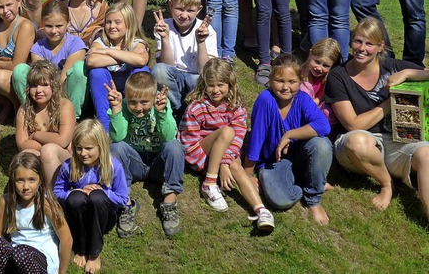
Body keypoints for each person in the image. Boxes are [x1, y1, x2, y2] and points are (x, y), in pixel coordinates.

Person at [326, 17, 429, 218]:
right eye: (357, 41)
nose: (361, 48)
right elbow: (353, 124)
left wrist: (407, 73)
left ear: (381, 47)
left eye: (369, 44)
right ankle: (386, 184)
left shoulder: (392, 66)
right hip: (355, 147)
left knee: (426, 155)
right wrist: (390, 104)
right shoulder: (339, 76)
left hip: (395, 142)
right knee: (358, 141)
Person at [179, 58, 275, 232]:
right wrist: (211, 163)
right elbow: (189, 142)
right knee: (227, 131)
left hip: (227, 152)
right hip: (202, 151)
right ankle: (208, 183)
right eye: (211, 85)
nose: (216, 90)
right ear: (204, 85)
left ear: (230, 84)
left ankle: (261, 210)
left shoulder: (235, 107)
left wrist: (225, 161)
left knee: (235, 165)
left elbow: (238, 138)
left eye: (220, 85)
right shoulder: (196, 107)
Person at [245, 54, 332, 225]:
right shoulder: (266, 100)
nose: (286, 87)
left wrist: (289, 134)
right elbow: (256, 138)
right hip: (272, 162)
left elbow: (324, 126)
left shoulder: (302, 99)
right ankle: (310, 181)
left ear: (300, 81)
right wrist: (248, 175)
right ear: (270, 79)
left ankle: (314, 198)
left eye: (292, 82)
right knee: (280, 200)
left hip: (297, 156)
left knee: (322, 144)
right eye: (280, 81)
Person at [107, 72, 184, 237]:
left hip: (158, 163)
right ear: (126, 97)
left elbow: (168, 136)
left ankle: (169, 201)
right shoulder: (123, 106)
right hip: (134, 161)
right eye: (133, 102)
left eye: (144, 102)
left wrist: (161, 113)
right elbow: (117, 136)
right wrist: (116, 110)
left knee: (174, 146)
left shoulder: (161, 104)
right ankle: (125, 202)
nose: (138, 108)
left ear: (154, 96)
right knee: (116, 147)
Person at [54, 119, 129, 274]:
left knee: (97, 197)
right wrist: (73, 192)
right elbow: (57, 191)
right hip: (78, 215)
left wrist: (104, 192)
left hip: (103, 216)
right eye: (79, 148)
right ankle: (80, 249)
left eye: (88, 148)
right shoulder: (69, 165)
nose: (83, 153)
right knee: (75, 198)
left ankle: (94, 253)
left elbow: (122, 198)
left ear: (100, 147)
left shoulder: (113, 166)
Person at [0, 152, 72, 274]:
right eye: (20, 180)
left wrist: (62, 272)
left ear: (40, 180)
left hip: (40, 261)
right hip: (16, 258)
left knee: (22, 254)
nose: (26, 186)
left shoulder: (46, 204)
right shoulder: (6, 202)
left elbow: (66, 239)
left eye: (31, 180)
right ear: (13, 180)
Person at [151, 0, 218, 117]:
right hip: (174, 77)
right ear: (171, 5)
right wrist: (164, 38)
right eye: (180, 9)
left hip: (195, 78)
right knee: (158, 70)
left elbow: (204, 71)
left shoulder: (207, 31)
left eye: (190, 11)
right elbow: (166, 65)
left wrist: (200, 42)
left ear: (199, 10)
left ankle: (192, 112)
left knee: (197, 80)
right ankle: (178, 110)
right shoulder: (164, 26)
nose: (184, 15)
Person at [12, 0, 87, 118]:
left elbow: (63, 79)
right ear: (42, 24)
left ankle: (72, 117)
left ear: (68, 23)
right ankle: (32, 113)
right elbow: (40, 79)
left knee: (79, 69)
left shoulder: (76, 45)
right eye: (48, 26)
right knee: (20, 70)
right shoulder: (38, 48)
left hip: (69, 93)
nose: (53, 31)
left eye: (59, 26)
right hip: (45, 93)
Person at [86, 2, 149, 132]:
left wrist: (108, 52)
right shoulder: (100, 42)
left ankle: (137, 121)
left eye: (117, 22)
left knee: (141, 71)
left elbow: (142, 59)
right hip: (106, 86)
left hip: (129, 85)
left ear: (129, 24)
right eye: (108, 22)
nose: (112, 26)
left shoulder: (136, 42)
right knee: (97, 72)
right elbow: (91, 61)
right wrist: (126, 57)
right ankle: (106, 128)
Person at [15, 60, 76, 184]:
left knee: (49, 151)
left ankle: (55, 195)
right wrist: (44, 147)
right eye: (33, 85)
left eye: (44, 85)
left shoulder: (64, 105)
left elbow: (63, 141)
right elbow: (22, 144)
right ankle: (37, 193)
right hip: (39, 154)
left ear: (54, 85)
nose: (38, 90)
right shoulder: (24, 110)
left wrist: (35, 136)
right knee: (26, 154)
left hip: (65, 158)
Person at [300, 38, 342, 137]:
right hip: (302, 110)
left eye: (326, 66)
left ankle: (325, 134)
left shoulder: (330, 79)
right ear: (310, 54)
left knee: (328, 110)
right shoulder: (300, 72)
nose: (319, 68)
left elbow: (325, 95)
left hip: (320, 113)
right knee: (305, 87)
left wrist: (317, 101)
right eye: (317, 62)